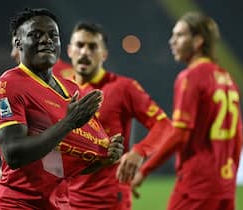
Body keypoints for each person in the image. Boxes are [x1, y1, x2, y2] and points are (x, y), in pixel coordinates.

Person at [0, 8, 124, 210]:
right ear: (18, 43)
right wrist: (68, 123)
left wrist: (107, 156)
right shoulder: (8, 85)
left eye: (53, 35)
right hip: (16, 204)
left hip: (58, 204)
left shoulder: (71, 89)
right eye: (36, 35)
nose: (47, 40)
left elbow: (71, 164)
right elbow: (13, 154)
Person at [117, 12, 243, 210]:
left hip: (197, 184)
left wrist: (145, 170)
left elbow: (180, 134)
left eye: (179, 35)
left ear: (198, 41)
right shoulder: (227, 79)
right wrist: (229, 178)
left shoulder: (190, 77)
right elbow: (237, 136)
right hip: (224, 186)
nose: (171, 41)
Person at [66, 21, 171, 210]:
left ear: (104, 54)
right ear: (69, 50)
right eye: (79, 45)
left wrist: (140, 151)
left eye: (92, 47)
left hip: (107, 200)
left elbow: (164, 125)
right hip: (63, 200)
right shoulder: (59, 91)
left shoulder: (123, 88)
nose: (84, 52)